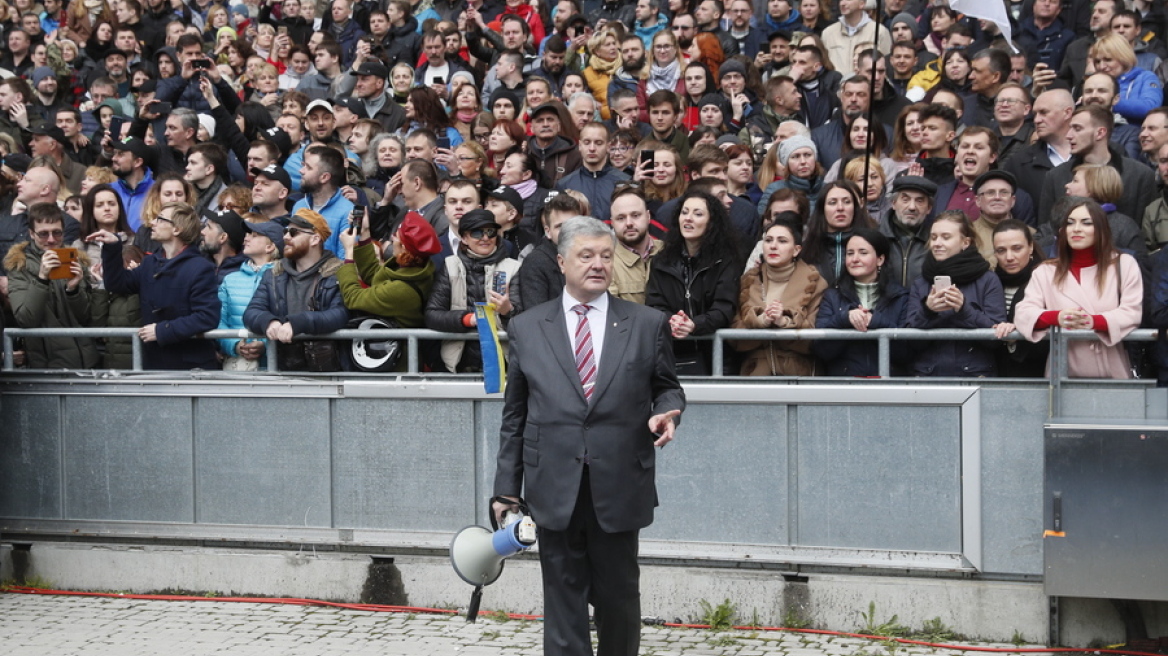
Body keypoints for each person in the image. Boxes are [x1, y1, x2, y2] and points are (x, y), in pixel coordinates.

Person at [492, 215, 683, 656]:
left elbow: (668, 387)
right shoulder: (526, 326)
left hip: (619, 481)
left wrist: (667, 412)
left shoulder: (646, 323)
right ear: (561, 262)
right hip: (552, 485)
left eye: (605, 255)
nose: (597, 264)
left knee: (618, 598)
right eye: (586, 255)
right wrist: (506, 487)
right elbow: (515, 414)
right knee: (562, 599)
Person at [1015, 199, 1144, 379]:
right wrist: (1057, 317)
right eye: (1070, 223)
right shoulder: (1046, 271)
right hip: (1062, 372)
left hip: (1112, 368)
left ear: (1101, 229)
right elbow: (1023, 312)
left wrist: (1092, 322)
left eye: (1086, 223)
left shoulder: (1124, 264)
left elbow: (1132, 312)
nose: (1076, 229)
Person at [88, 202, 222, 371]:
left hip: (190, 367)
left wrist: (162, 331)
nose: (153, 223)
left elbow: (206, 316)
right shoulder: (150, 262)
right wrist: (113, 247)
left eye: (160, 219)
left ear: (177, 229)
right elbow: (117, 283)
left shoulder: (200, 267)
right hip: (154, 363)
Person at [646, 189, 741, 375]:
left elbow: (724, 307)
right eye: (684, 212)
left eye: (697, 214)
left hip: (717, 356)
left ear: (711, 222)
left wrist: (695, 325)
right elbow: (654, 304)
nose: (688, 218)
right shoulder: (662, 260)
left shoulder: (726, 260)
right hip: (672, 354)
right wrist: (671, 321)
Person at [243, 208, 350, 372]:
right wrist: (269, 321)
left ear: (314, 239)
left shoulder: (337, 272)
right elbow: (252, 312)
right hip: (285, 370)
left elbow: (340, 314)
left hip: (329, 371)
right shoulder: (274, 273)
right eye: (285, 231)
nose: (285, 237)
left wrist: (298, 323)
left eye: (293, 232)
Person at [904, 210, 1007, 377]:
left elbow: (996, 338)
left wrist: (964, 310)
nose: (937, 243)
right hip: (928, 375)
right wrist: (927, 311)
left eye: (946, 237)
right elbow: (910, 341)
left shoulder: (987, 279)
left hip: (976, 376)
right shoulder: (921, 281)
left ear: (965, 242)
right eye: (934, 237)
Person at [336, 211, 439, 368]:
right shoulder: (414, 269)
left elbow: (353, 297)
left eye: (396, 236)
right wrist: (364, 233)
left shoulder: (402, 290)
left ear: (403, 247)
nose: (392, 238)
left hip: (394, 362)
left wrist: (349, 253)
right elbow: (375, 276)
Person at [424, 208, 520, 373]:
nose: (485, 238)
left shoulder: (513, 267)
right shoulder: (450, 265)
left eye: (490, 232)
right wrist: (467, 319)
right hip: (457, 363)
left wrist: (507, 311)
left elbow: (525, 319)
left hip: (503, 363)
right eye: (477, 233)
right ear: (464, 238)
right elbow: (432, 315)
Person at [5, 202, 99, 369]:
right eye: (43, 234)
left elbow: (86, 317)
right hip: (47, 363)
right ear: (31, 234)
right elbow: (26, 319)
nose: (51, 239)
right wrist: (42, 278)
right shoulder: (19, 265)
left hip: (86, 360)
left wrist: (73, 290)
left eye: (57, 233)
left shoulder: (75, 260)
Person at [731, 215, 827, 376]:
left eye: (782, 241)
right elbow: (733, 334)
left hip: (799, 373)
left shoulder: (816, 282)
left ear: (796, 250)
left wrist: (783, 322)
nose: (773, 246)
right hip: (756, 372)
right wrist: (761, 321)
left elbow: (816, 336)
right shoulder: (747, 281)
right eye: (768, 241)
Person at [813, 227, 910, 376]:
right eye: (850, 253)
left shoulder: (900, 297)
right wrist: (845, 319)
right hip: (845, 385)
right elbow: (822, 350)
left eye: (863, 253)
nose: (855, 259)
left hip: (889, 386)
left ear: (880, 259)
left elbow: (906, 352)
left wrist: (875, 321)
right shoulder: (832, 296)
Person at [217, 220, 284, 370]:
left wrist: (266, 345)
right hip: (236, 364)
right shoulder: (229, 279)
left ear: (270, 246)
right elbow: (219, 321)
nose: (246, 238)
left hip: (277, 367)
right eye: (247, 234)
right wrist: (234, 345)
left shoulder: (286, 278)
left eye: (254, 235)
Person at [989, 219, 1049, 378]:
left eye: (1017, 248)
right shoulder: (990, 283)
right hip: (996, 374)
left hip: (1036, 375)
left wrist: (1016, 337)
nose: (1009, 257)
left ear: (1030, 247)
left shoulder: (1047, 281)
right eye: (1001, 250)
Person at [516, 191, 583, 311]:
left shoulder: (593, 256)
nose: (567, 231)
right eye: (560, 226)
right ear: (548, 231)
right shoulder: (535, 262)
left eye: (573, 224)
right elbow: (537, 314)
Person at [801, 180, 874, 286]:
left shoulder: (872, 244)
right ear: (822, 209)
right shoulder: (806, 249)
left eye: (847, 202)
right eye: (832, 202)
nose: (840, 208)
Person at [608, 183, 662, 303]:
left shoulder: (669, 252)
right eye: (621, 218)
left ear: (648, 216)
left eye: (635, 215)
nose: (629, 223)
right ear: (612, 222)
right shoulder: (605, 261)